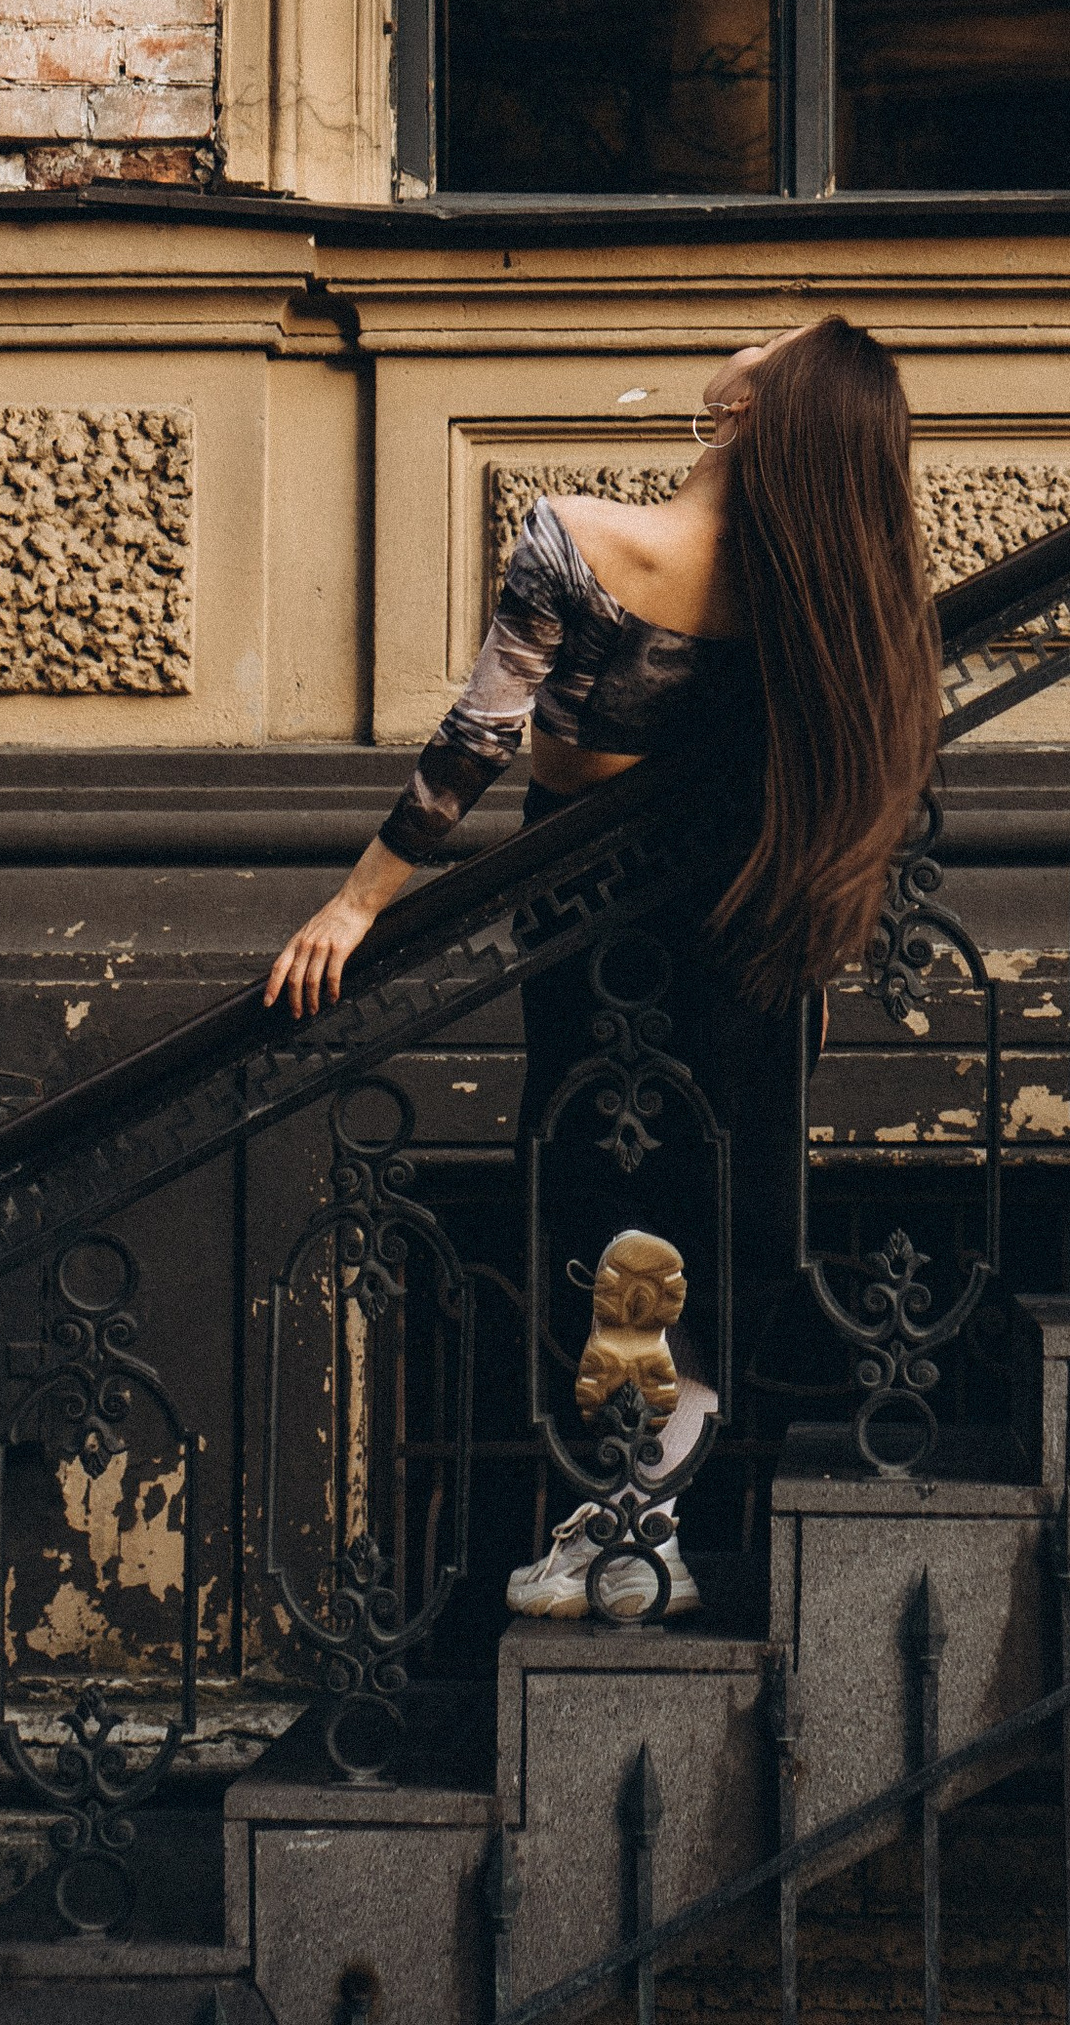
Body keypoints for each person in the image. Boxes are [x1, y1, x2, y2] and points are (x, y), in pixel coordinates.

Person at [265, 315, 943, 1618]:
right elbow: (841, 783)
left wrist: (355, 905)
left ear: (749, 409)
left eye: (768, 344)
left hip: (598, 931)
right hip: (748, 936)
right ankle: (642, 1535)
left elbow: (477, 740)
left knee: (609, 1229)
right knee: (709, 1234)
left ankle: (620, 1533)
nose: (744, 339)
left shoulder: (578, 538)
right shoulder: (833, 584)